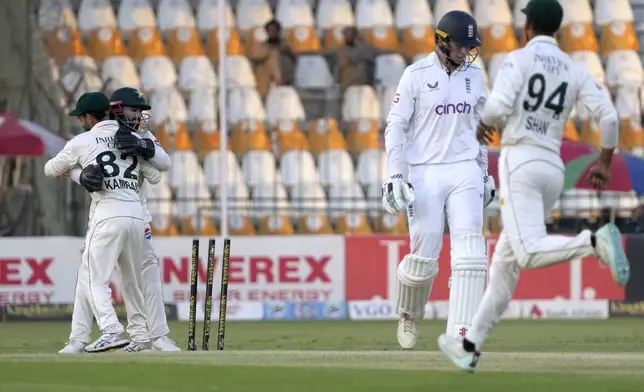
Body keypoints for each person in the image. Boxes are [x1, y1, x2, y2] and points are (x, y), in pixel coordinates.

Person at [438, 0, 630, 372]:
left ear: (528, 27)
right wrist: (603, 162)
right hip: (552, 169)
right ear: (556, 29)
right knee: (505, 264)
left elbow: (497, 106)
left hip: (520, 161)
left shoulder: (520, 59)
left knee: (525, 252)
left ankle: (594, 242)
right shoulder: (574, 69)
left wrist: (486, 123)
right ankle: (469, 345)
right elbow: (608, 117)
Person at [382, 10, 496, 350]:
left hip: (464, 169)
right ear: (442, 42)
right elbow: (396, 126)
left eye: (470, 47)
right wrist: (395, 175)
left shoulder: (474, 77)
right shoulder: (415, 75)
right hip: (425, 171)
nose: (466, 52)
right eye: (461, 46)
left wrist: (486, 173)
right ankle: (409, 314)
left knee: (470, 252)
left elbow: (481, 130)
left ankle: (462, 333)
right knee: (423, 256)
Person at [57, 88, 180, 353]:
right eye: (135, 110)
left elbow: (164, 165)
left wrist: (142, 146)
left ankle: (156, 336)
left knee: (144, 277)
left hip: (138, 218)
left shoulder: (142, 135)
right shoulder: (95, 138)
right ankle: (78, 338)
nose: (140, 115)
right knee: (88, 277)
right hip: (104, 215)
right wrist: (81, 175)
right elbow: (68, 165)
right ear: (119, 109)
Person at [247, 19, 296, 99]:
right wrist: (269, 50)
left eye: (274, 30)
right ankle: (277, 81)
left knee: (273, 56)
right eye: (270, 30)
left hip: (284, 75)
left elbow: (294, 59)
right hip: (266, 78)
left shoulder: (285, 45)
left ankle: (278, 81)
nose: (272, 32)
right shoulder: (262, 46)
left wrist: (284, 50)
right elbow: (254, 58)